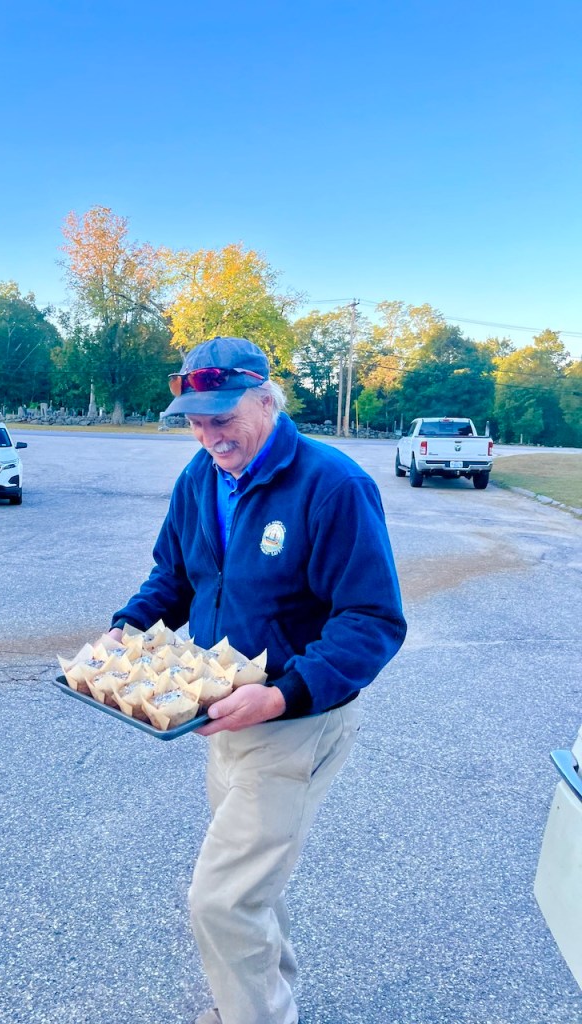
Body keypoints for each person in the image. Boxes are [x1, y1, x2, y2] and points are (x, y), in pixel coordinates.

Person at [107, 337, 406, 1024]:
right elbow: (174, 576)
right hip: (222, 713)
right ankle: (266, 997)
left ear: (267, 400)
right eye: (195, 419)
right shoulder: (199, 477)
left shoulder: (332, 485)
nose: (210, 434)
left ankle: (256, 1016)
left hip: (294, 725)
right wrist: (130, 624)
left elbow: (373, 619)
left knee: (223, 898)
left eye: (222, 416)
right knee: (252, 886)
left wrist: (281, 693)